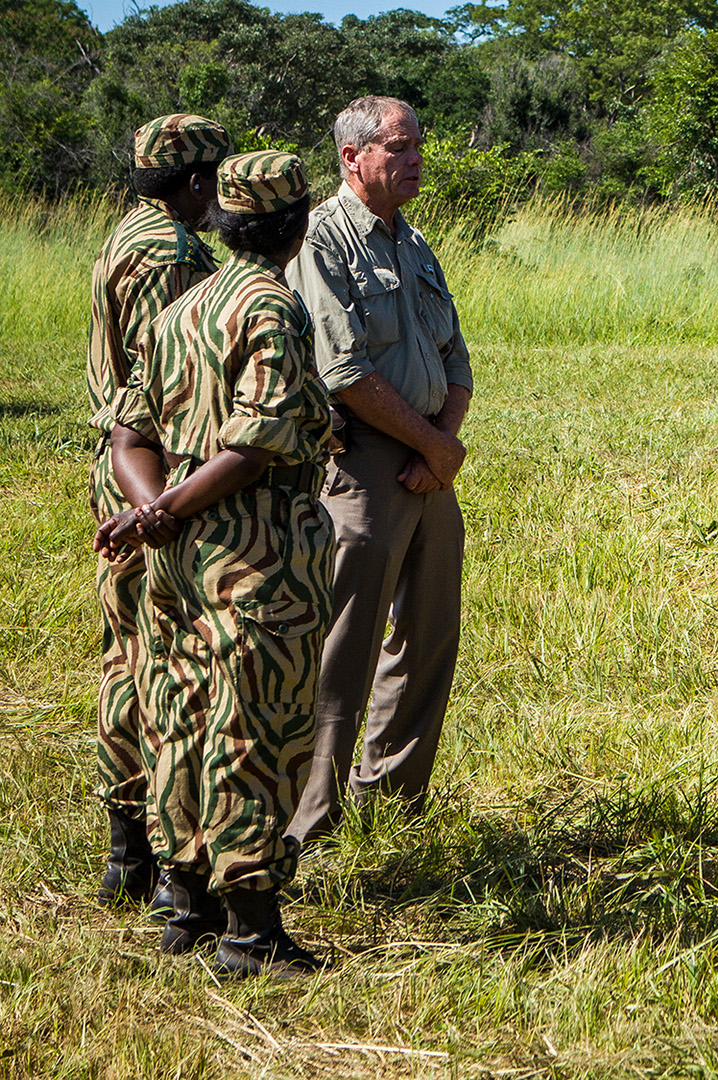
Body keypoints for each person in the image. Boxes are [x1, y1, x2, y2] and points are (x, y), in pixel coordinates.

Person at [100, 150, 334, 975]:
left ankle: (185, 900)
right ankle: (250, 929)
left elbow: (128, 435)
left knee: (181, 714)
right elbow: (256, 440)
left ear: (229, 222)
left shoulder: (183, 309)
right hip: (256, 550)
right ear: (296, 223)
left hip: (176, 559)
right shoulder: (272, 306)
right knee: (255, 728)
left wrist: (149, 509)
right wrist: (167, 508)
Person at [286, 96, 472, 843]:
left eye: (418, 144)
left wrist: (443, 445)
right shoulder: (321, 241)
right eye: (398, 147)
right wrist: (430, 446)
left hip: (431, 467)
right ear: (351, 157)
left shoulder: (415, 242)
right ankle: (311, 818)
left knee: (427, 639)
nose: (415, 158)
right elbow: (344, 371)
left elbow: (454, 355)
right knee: (344, 647)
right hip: (360, 469)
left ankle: (393, 802)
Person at [86, 113, 231, 909]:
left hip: (134, 478)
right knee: (159, 665)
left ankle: (129, 853)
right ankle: (155, 854)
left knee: (128, 655)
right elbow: (159, 389)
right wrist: (170, 500)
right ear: (198, 179)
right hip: (157, 483)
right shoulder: (166, 254)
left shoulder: (127, 232)